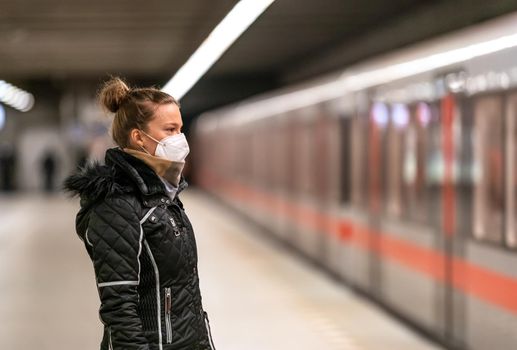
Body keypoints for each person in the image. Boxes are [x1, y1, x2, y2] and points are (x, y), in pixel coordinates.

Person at [64, 77, 216, 350]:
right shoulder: (115, 204)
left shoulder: (164, 196)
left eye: (180, 129)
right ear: (138, 138)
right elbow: (119, 306)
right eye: (170, 129)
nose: (180, 139)